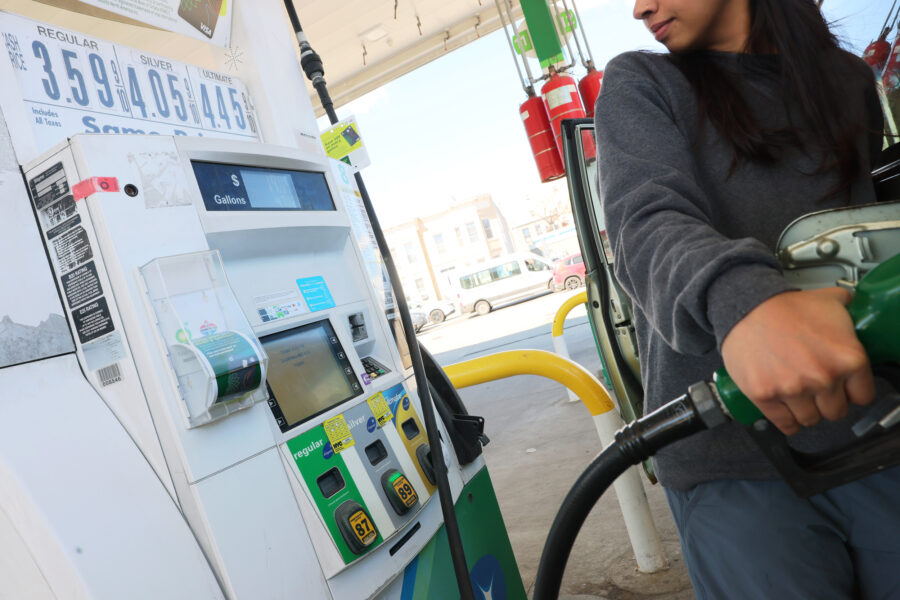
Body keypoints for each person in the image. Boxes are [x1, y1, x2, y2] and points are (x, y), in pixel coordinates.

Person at [593, 0, 900, 597]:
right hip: (733, 463)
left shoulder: (848, 80)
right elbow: (646, 221)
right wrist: (747, 301)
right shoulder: (642, 82)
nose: (638, 8)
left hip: (871, 425)